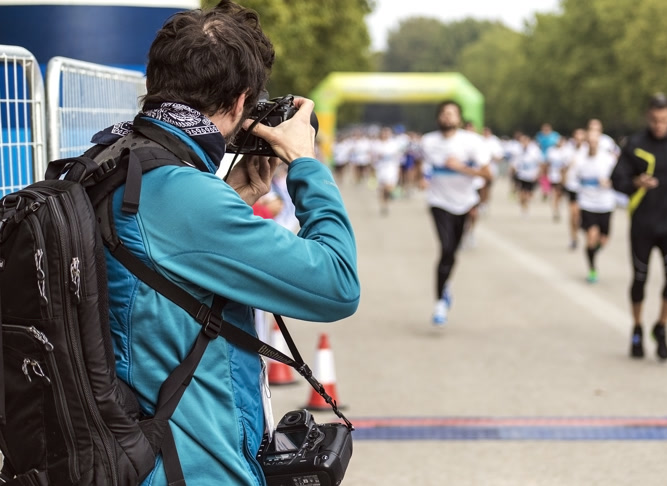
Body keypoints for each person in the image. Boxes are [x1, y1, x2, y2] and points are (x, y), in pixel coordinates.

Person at [89, 2, 360, 484]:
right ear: (240, 102)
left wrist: (233, 197)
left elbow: (153, 276)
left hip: (124, 455)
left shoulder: (107, 164)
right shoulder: (184, 196)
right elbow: (337, 284)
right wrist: (305, 165)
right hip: (193, 469)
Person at [611, 93, 667, 361]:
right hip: (643, 222)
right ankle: (637, 327)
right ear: (648, 117)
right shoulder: (634, 144)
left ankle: (661, 326)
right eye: (654, 120)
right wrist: (635, 183)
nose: (659, 125)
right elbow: (617, 179)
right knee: (640, 279)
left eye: (663, 120)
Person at [420, 100, 491, 326]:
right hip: (438, 202)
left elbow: (489, 175)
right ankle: (440, 302)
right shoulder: (428, 142)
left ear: (459, 119)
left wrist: (460, 167)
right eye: (443, 113)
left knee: (452, 253)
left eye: (452, 113)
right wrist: (423, 179)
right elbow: (424, 167)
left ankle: (445, 283)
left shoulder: (472, 142)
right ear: (438, 118)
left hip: (464, 203)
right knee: (446, 247)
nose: (447, 117)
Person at [571, 127, 617, 283]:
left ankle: (593, 251)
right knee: (591, 237)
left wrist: (609, 182)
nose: (592, 144)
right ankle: (592, 269)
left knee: (603, 240)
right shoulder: (579, 159)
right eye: (589, 141)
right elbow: (573, 181)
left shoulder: (608, 159)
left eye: (595, 141)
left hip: (605, 204)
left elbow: (619, 177)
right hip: (587, 204)